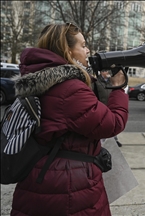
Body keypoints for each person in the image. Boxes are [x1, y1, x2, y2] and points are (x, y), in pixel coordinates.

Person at [11, 23, 128, 215]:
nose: (87, 50)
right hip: (67, 186)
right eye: (82, 45)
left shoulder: (42, 79)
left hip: (45, 175)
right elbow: (112, 124)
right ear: (68, 50)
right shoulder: (69, 88)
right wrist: (118, 88)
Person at [93, 69, 124, 147]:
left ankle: (115, 140)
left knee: (113, 123)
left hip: (110, 105)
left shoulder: (110, 81)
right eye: (105, 71)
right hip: (102, 105)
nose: (107, 73)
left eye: (107, 71)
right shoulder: (96, 82)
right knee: (104, 125)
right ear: (101, 72)